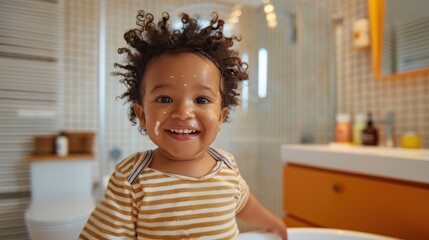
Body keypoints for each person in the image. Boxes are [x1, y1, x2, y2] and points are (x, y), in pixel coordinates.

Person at [79, 10, 287, 240]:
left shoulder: (227, 165)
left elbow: (244, 203)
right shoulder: (131, 179)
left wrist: (272, 221)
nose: (183, 113)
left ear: (220, 117)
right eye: (165, 99)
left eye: (201, 100)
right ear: (142, 114)